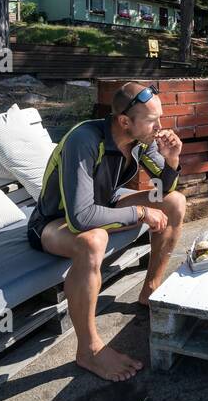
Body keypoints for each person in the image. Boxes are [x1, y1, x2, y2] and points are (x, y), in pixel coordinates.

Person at [27, 80, 186, 382]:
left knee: (175, 203)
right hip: (52, 223)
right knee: (93, 240)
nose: (160, 127)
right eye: (153, 120)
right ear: (125, 121)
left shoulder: (142, 141)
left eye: (160, 118)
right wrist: (139, 213)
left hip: (103, 206)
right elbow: (81, 217)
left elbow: (165, 188)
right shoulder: (84, 140)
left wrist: (172, 159)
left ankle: (150, 289)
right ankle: (89, 350)